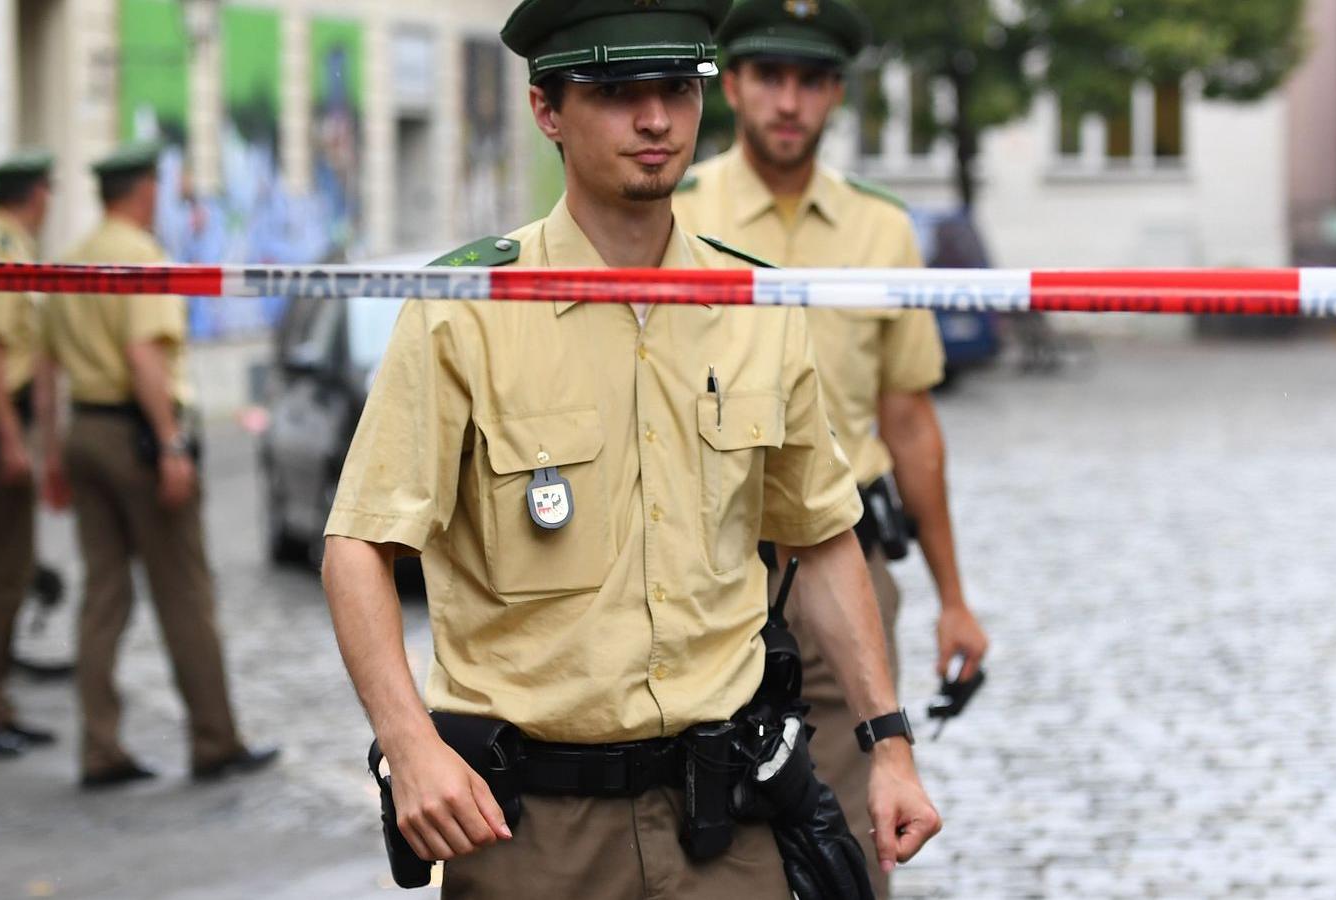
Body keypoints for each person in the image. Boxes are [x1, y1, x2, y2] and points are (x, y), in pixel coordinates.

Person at [319, 1, 940, 897]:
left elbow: (822, 533)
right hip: (531, 832)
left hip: (724, 826)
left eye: (678, 89)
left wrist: (889, 746)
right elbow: (358, 547)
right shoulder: (468, 308)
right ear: (546, 110)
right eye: (616, 91)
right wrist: (411, 748)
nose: (655, 120)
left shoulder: (755, 304)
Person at [673, 2, 989, 894]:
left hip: (843, 563)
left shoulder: (881, 230)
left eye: (809, 81)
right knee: (697, 828)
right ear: (731, 86)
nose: (788, 100)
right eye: (768, 76)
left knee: (860, 835)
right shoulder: (674, 215)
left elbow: (911, 422)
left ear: (835, 95)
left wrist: (953, 599)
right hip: (710, 569)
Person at [42, 139, 278, 789]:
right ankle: (215, 740)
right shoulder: (142, 257)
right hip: (136, 438)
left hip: (84, 429)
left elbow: (43, 363)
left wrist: (51, 452)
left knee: (103, 596)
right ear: (145, 189)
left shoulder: (70, 259)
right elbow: (145, 354)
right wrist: (171, 443)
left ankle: (100, 748)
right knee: (184, 594)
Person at [0, 149, 62, 758]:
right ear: (35, 194)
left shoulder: (11, 241)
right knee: (3, 576)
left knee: (8, 574)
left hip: (5, 421)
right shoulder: (1, 246)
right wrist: (12, 441)